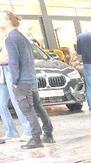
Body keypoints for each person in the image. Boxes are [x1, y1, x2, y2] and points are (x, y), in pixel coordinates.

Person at [1, 10, 54, 149]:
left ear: (8, 21)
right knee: (37, 107)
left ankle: (36, 139)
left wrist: (15, 81)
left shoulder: (10, 38)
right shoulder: (21, 36)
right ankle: (48, 134)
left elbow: (14, 62)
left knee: (28, 110)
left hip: (22, 81)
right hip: (31, 78)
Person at [0, 27, 31, 142]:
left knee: (17, 102)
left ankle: (28, 130)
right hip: (2, 75)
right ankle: (11, 132)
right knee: (1, 104)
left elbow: (8, 58)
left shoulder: (9, 38)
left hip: (9, 72)